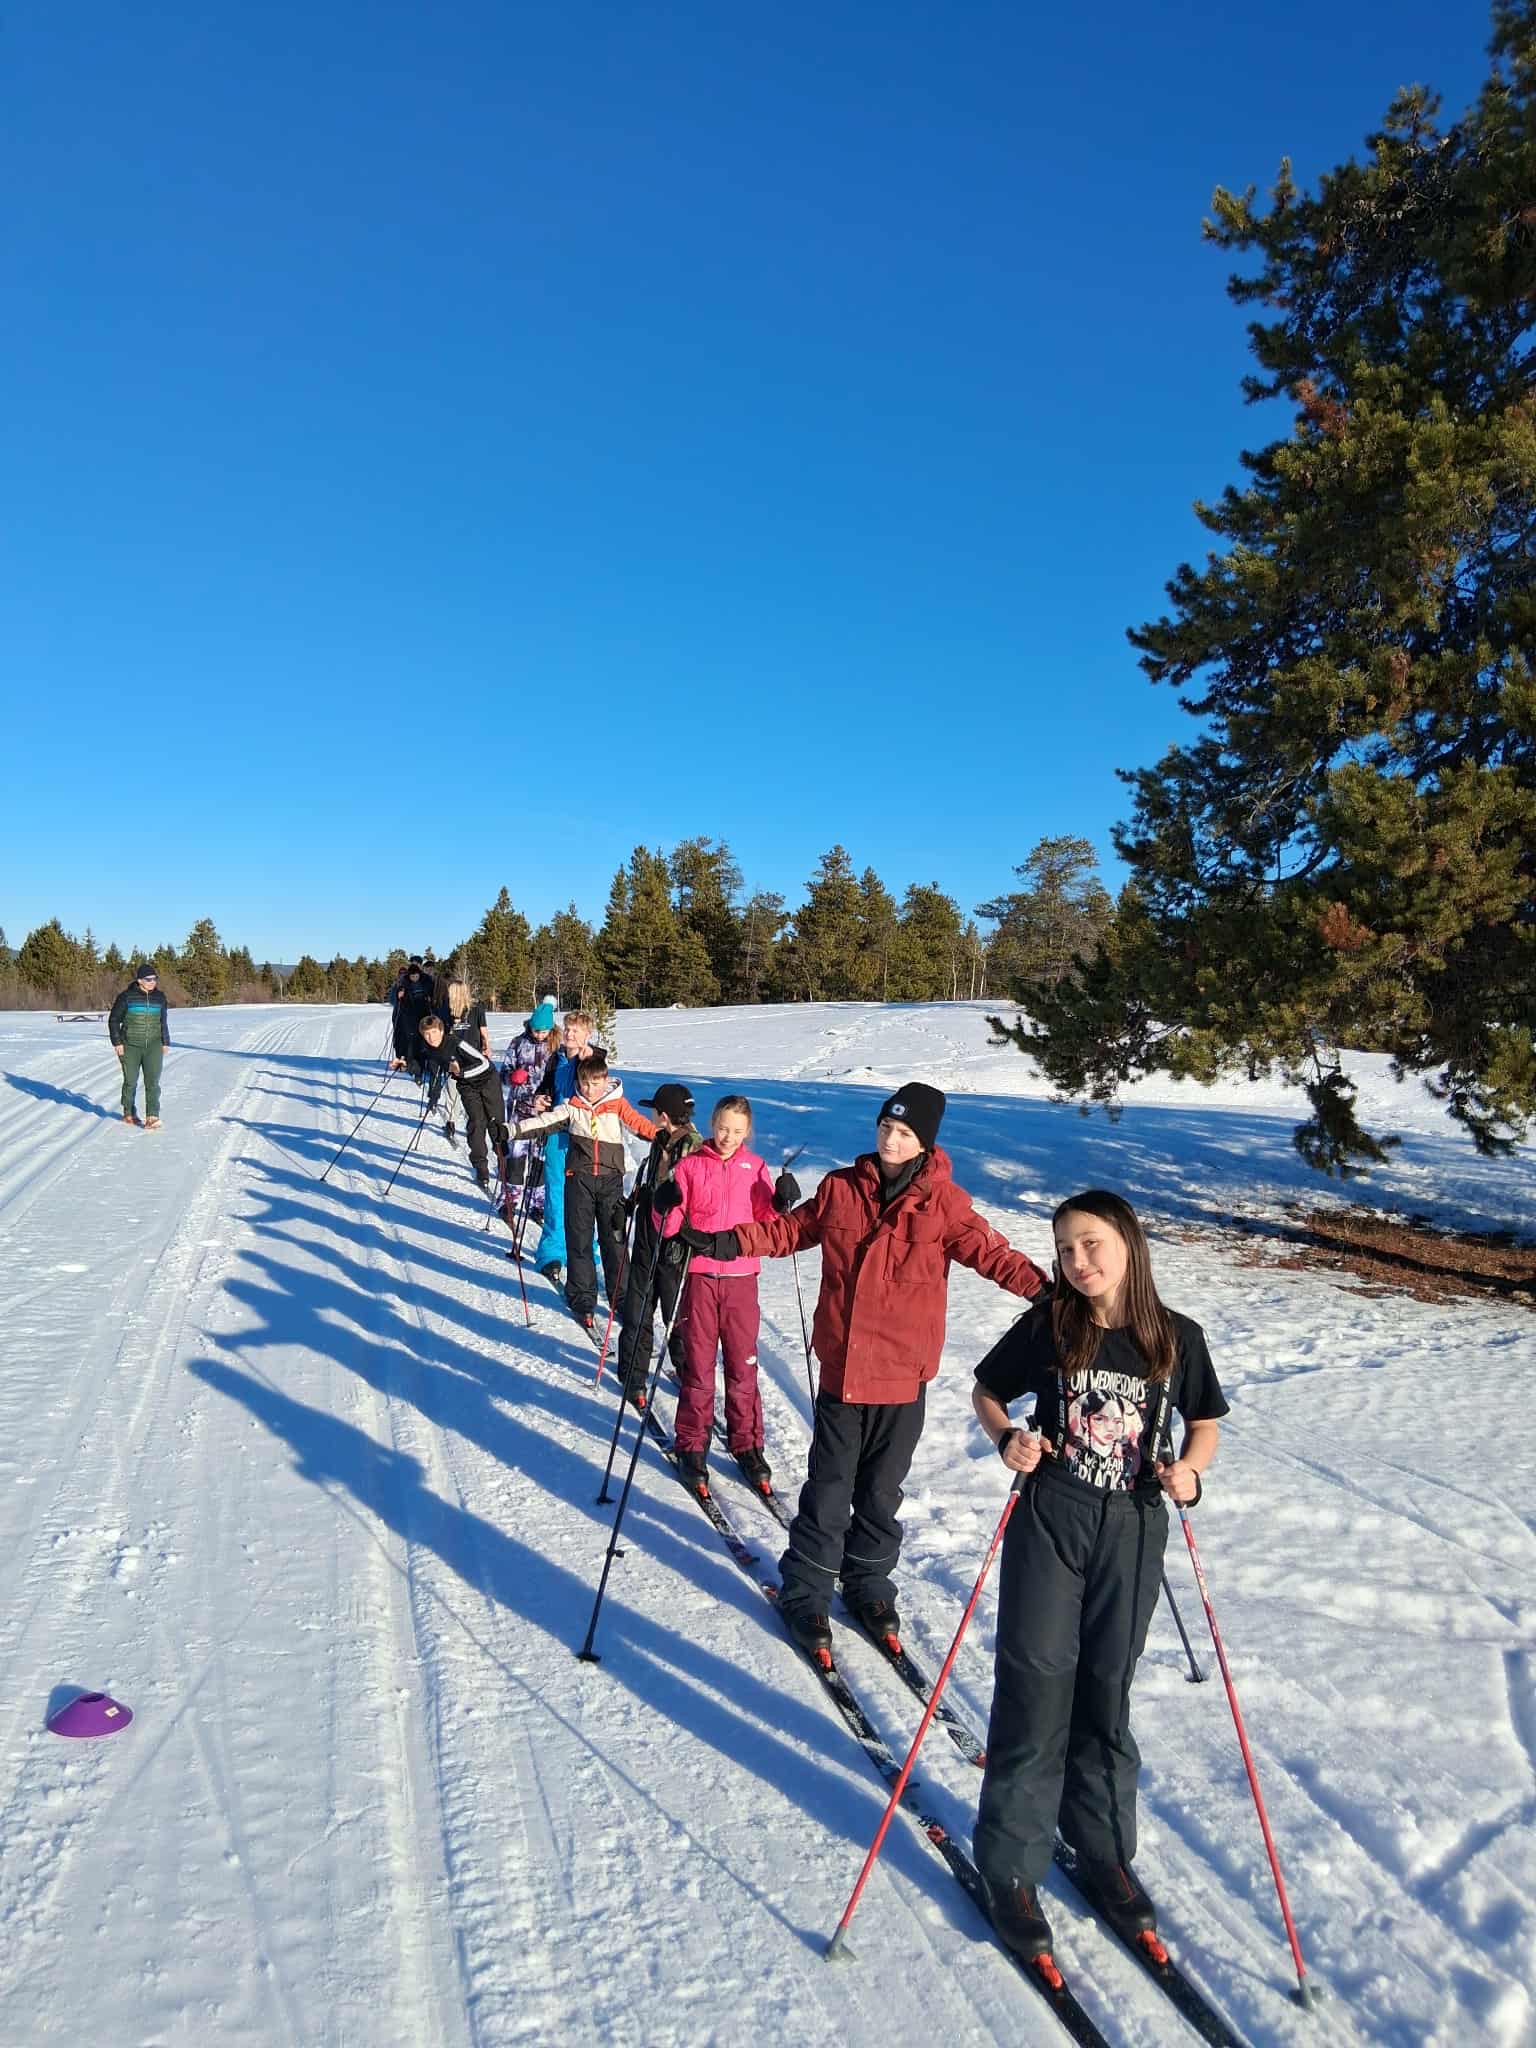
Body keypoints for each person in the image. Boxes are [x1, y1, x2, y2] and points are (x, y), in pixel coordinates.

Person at [690, 1083, 1048, 1661]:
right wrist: (727, 1240)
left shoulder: (943, 1204)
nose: (890, 1138)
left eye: (904, 1132)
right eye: (886, 1125)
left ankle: (868, 1584)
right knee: (830, 1488)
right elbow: (789, 1231)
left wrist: (1049, 1293)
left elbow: (993, 1253)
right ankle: (806, 1588)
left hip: (903, 1375)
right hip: (843, 1370)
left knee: (881, 1492)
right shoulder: (840, 1189)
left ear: (925, 1142)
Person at [969, 1188, 1227, 1965]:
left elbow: (1204, 1421)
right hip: (1053, 1516)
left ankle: (1102, 1849)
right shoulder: (1050, 1324)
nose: (1078, 1263)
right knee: (1037, 1680)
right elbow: (987, 1391)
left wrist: (1189, 1471)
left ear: (1126, 1242)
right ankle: (1010, 1864)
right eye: (1066, 1250)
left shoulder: (1175, 1337)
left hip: (1134, 1528)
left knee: (1106, 1690)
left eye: (1090, 1245)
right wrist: (1009, 1436)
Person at [654, 1095, 781, 1494]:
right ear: (712, 1123)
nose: (728, 1137)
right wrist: (663, 1206)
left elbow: (770, 1225)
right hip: (701, 1277)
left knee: (743, 1365)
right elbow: (671, 1226)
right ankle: (692, 1443)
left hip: (742, 1277)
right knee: (699, 1365)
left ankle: (748, 1443)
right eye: (723, 1128)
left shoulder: (755, 1168)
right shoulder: (690, 1166)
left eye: (737, 1131)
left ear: (748, 1133)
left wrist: (781, 1201)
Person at [512, 1051, 654, 1332]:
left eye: (596, 1083)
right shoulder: (572, 1106)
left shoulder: (616, 1104)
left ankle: (621, 1298)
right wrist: (511, 1130)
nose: (591, 1089)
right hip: (579, 1181)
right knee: (579, 1239)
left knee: (614, 1241)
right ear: (579, 1082)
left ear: (606, 1080)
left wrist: (666, 1137)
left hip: (611, 1182)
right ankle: (582, 1299)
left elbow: (640, 1124)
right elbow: (541, 1122)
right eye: (585, 1083)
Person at [616, 1082, 703, 1408]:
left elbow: (689, 1195)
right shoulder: (662, 1139)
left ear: (663, 1114)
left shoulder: (693, 1147)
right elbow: (653, 1181)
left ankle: (688, 1372)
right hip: (649, 1230)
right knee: (639, 1304)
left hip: (675, 1240)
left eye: (655, 1110)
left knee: (675, 1312)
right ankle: (632, 1374)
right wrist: (635, 1199)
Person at [530, 1011, 605, 1287]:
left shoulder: (591, 1060)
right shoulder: (556, 1059)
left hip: (584, 1138)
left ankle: (588, 1252)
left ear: (587, 1034)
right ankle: (552, 1252)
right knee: (555, 1193)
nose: (571, 1034)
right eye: (568, 1029)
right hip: (556, 1136)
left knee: (584, 1199)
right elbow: (545, 1088)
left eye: (577, 1030)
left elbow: (600, 1076)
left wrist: (592, 1056)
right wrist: (541, 1101)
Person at [416, 1004, 504, 1189]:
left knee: (495, 1123)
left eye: (434, 1033)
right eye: (427, 1034)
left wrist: (461, 1072)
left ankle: (504, 1162)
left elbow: (484, 1063)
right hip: (466, 1087)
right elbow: (439, 1070)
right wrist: (434, 1093)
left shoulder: (456, 1043)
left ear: (441, 1031)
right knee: (476, 1124)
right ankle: (482, 1170)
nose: (431, 1038)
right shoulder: (430, 1049)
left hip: (488, 1081)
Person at [499, 998, 561, 1245]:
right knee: (516, 1155)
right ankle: (510, 1198)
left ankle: (536, 1201)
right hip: (519, 1109)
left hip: (545, 1112)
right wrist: (512, 1077)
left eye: (543, 1030)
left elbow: (561, 1077)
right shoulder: (517, 1043)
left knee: (540, 1159)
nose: (539, 1034)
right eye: (536, 1029)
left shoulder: (557, 1047)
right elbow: (502, 1074)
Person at [108, 962, 171, 1128]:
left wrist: (165, 1041)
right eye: (148, 979)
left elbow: (163, 1021)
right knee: (130, 1081)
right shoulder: (126, 997)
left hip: (153, 1045)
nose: (152, 982)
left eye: (154, 978)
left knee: (153, 1082)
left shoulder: (160, 997)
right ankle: (128, 1112)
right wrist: (117, 1042)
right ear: (139, 980)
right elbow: (114, 1020)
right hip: (130, 1045)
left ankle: (152, 1117)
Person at [389, 959, 438, 1079]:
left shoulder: (426, 981)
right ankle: (413, 1066)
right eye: (412, 975)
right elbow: (395, 1001)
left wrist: (430, 1001)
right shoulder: (403, 983)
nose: (414, 977)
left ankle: (425, 1065)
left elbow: (433, 994)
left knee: (426, 1041)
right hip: (409, 1017)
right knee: (408, 1042)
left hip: (424, 1015)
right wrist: (399, 996)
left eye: (416, 975)